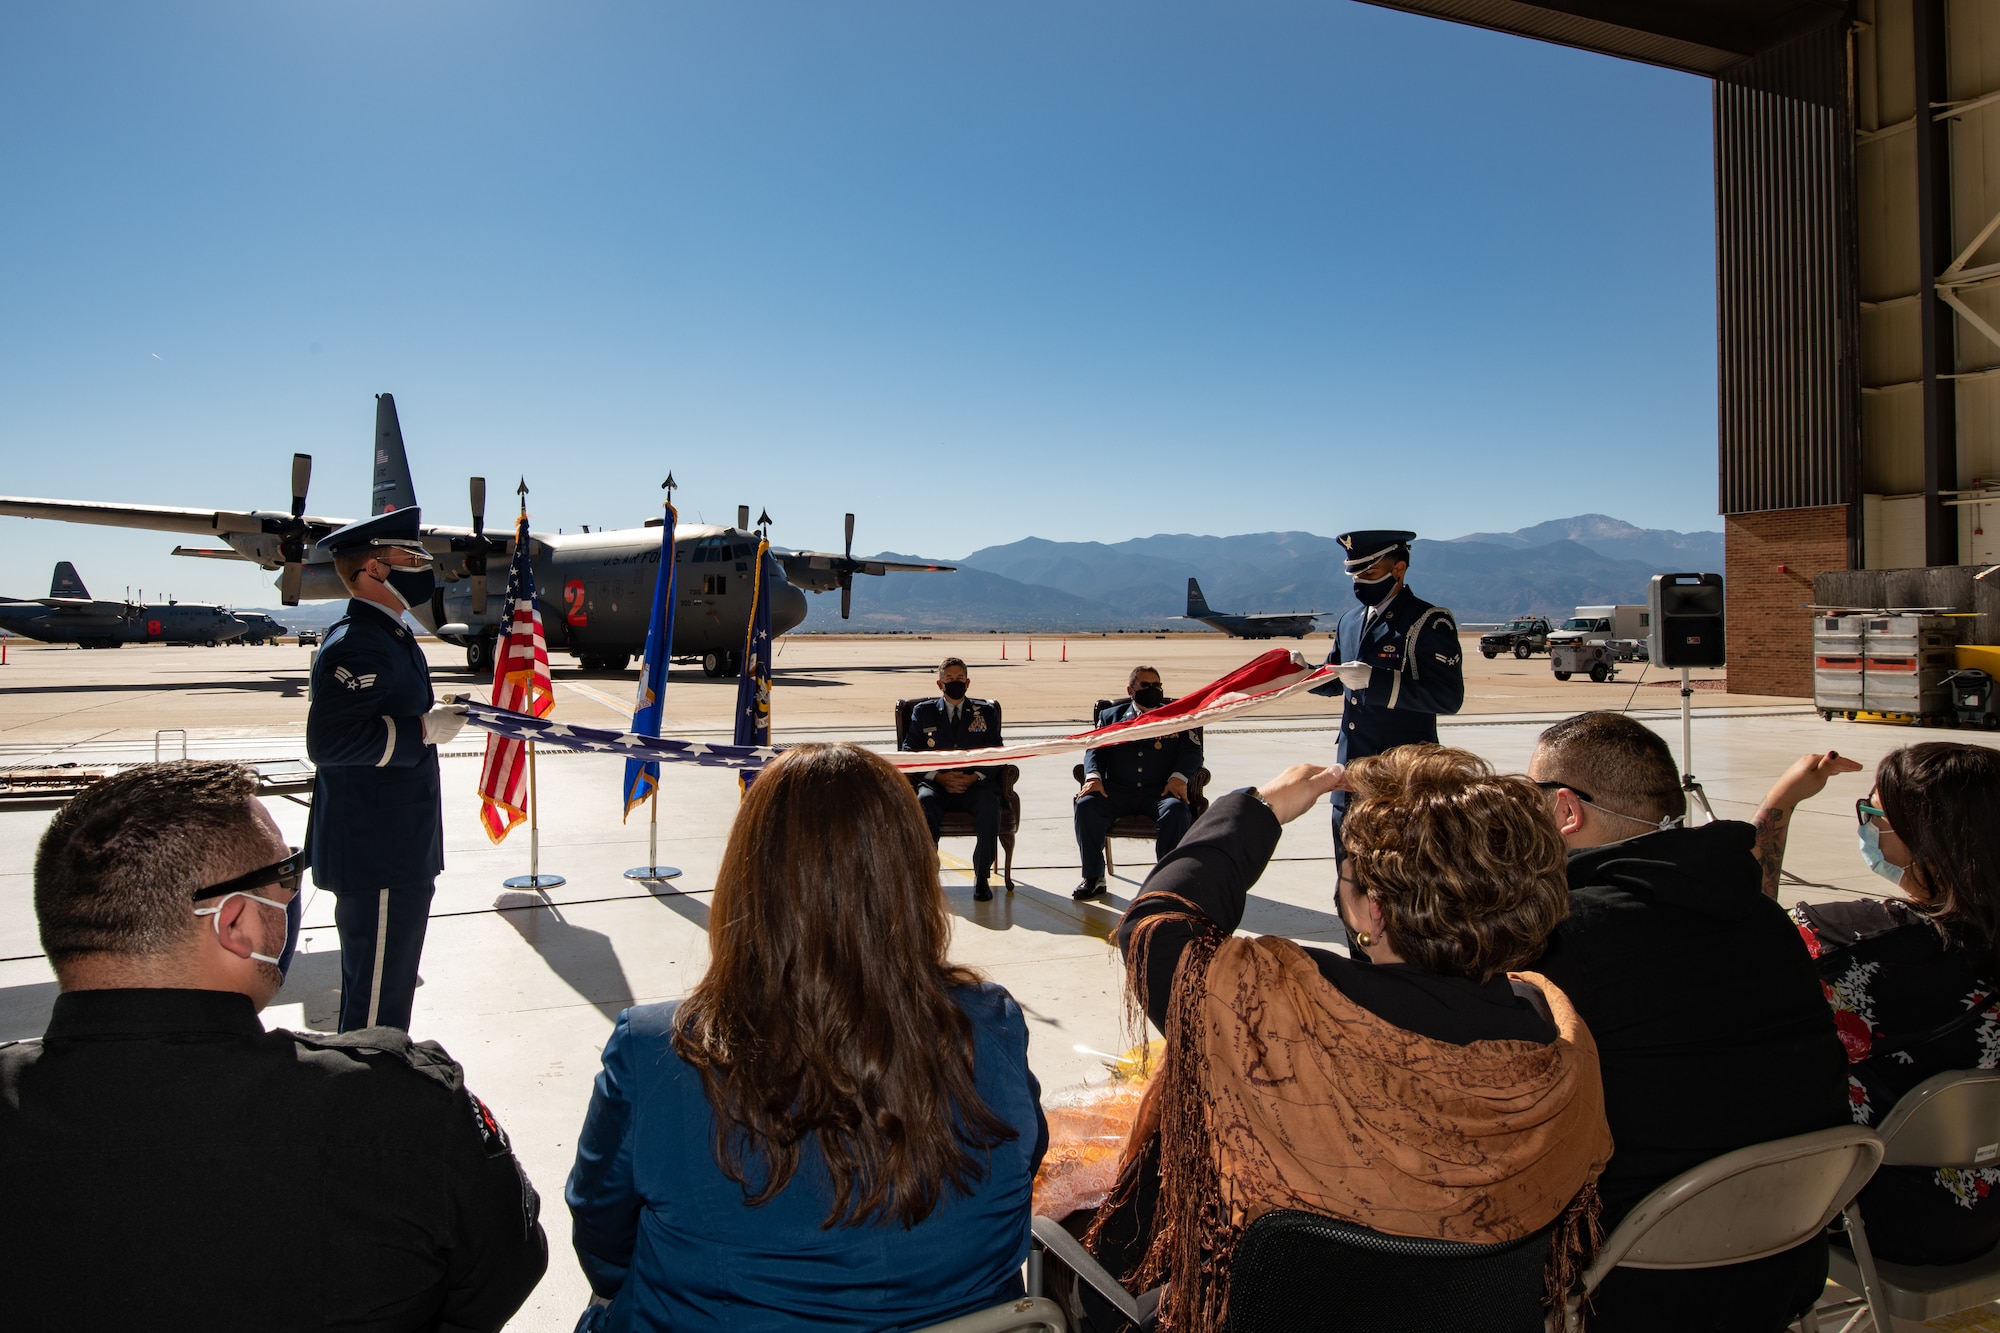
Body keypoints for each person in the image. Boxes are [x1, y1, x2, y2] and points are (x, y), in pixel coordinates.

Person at [0, 761, 547, 1332]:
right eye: (285, 878)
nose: (291, 893)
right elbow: (505, 1266)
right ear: (233, 923)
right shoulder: (400, 1109)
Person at [1088, 746, 1610, 1333]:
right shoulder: (1555, 1030)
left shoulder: (1282, 1009)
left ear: (1373, 912)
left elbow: (1156, 930)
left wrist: (1258, 810)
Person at [566, 743, 1048, 1332]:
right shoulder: (992, 1026)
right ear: (911, 881)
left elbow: (603, 1246)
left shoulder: (652, 1052)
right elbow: (1022, 1168)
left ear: (749, 882)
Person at [1527, 712, 1853, 1332]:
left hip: (1635, 1287)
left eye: (1529, 795)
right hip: (1785, 1265)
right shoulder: (1762, 918)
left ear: (1567, 810)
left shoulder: (1568, 940)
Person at [1792, 742, 2000, 1267]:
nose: (1865, 826)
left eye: (1872, 814)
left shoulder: (1848, 941)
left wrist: (1779, 804)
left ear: (1921, 839)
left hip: (1881, 1216)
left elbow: (1740, 938)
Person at [305, 505, 466, 1031]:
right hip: (377, 851)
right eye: (411, 556)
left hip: (397, 846)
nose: (423, 565)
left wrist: (425, 717)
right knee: (376, 1005)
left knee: (386, 991)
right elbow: (330, 742)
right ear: (374, 568)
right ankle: (367, 1096)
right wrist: (421, 729)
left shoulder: (390, 635)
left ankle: (377, 1084)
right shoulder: (360, 642)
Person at [1307, 529, 1464, 842]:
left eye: (1370, 572)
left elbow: (1448, 698)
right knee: (1348, 880)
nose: (1360, 581)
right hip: (1350, 779)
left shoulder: (1427, 621)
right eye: (1354, 574)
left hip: (1398, 781)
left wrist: (1375, 681)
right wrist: (1301, 676)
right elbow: (1337, 679)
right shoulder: (1349, 621)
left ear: (1399, 569)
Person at [1072, 665, 1203, 902]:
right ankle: (1093, 877)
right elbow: (1096, 749)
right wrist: (1093, 777)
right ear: (1131, 690)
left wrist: (1178, 777)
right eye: (1146, 685)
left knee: (1176, 812)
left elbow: (1192, 752)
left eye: (1157, 685)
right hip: (1118, 790)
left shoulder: (1177, 716)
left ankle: (1167, 884)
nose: (1153, 690)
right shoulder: (1110, 716)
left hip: (1160, 791)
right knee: (1086, 805)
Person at [900, 655, 1006, 900]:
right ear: (940, 684)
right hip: (936, 785)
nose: (955, 683)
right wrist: (938, 777)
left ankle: (982, 877)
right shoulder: (923, 712)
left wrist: (973, 777)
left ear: (968, 683)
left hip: (974, 784)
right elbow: (909, 752)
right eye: (949, 679)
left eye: (960, 679)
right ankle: (926, 877)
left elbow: (997, 751)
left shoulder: (985, 712)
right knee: (924, 804)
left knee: (990, 805)